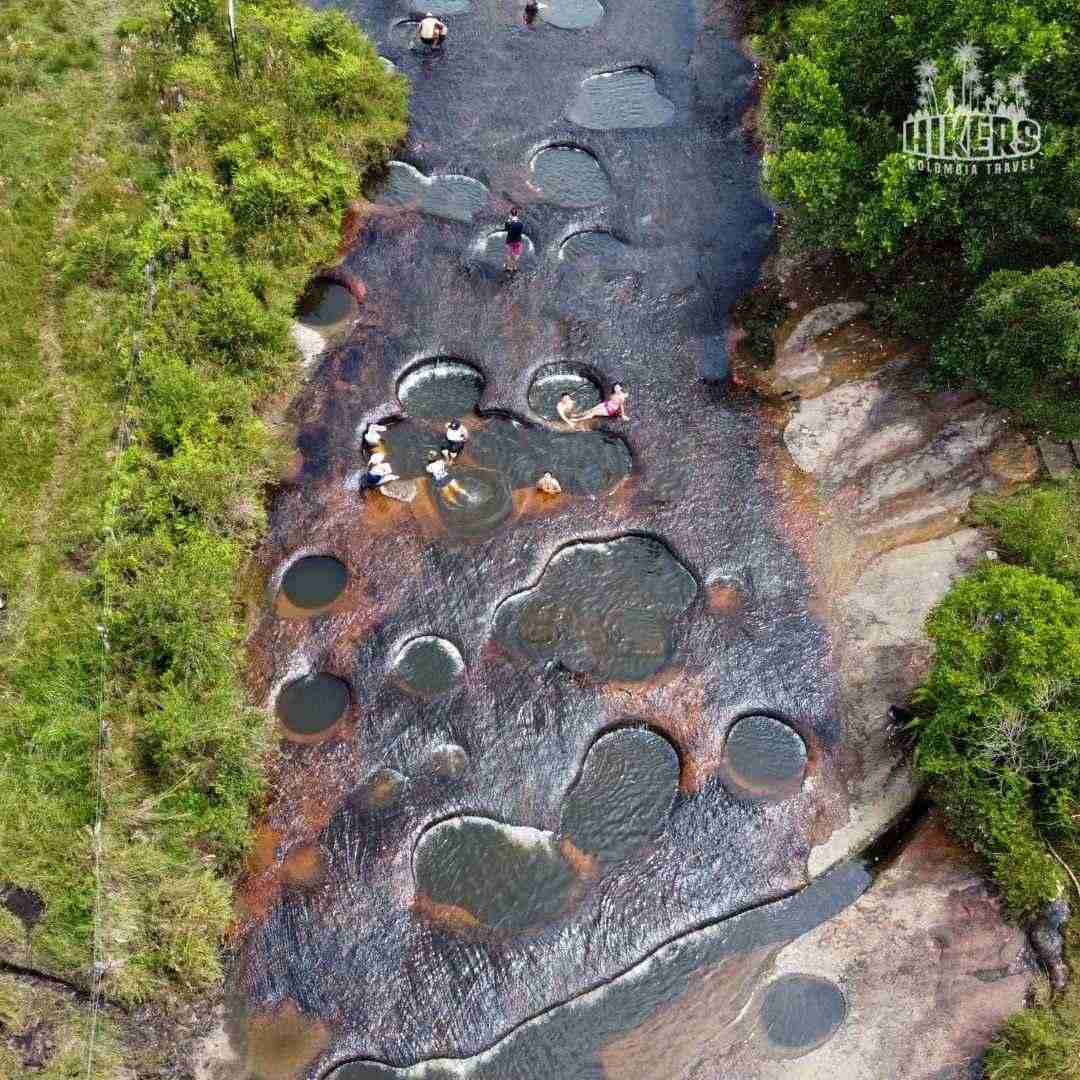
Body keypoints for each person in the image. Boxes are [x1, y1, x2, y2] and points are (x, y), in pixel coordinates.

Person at [504, 207, 525, 272]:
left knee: (509, 254)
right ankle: (514, 267)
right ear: (517, 214)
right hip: (517, 241)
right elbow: (521, 231)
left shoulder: (508, 222)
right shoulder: (520, 223)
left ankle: (509, 268)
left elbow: (506, 229)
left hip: (509, 241)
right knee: (516, 254)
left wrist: (509, 220)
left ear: (510, 214)